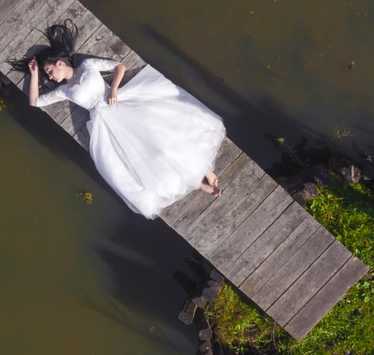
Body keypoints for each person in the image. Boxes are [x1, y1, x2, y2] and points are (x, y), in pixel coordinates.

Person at [16, 23, 226, 219]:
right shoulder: (64, 91)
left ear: (59, 63)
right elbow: (35, 102)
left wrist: (114, 88)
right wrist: (34, 74)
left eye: (49, 71)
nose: (50, 77)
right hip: (105, 124)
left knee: (164, 136)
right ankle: (199, 184)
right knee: (143, 157)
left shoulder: (87, 65)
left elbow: (119, 67)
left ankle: (204, 170)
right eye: (47, 74)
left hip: (120, 104)